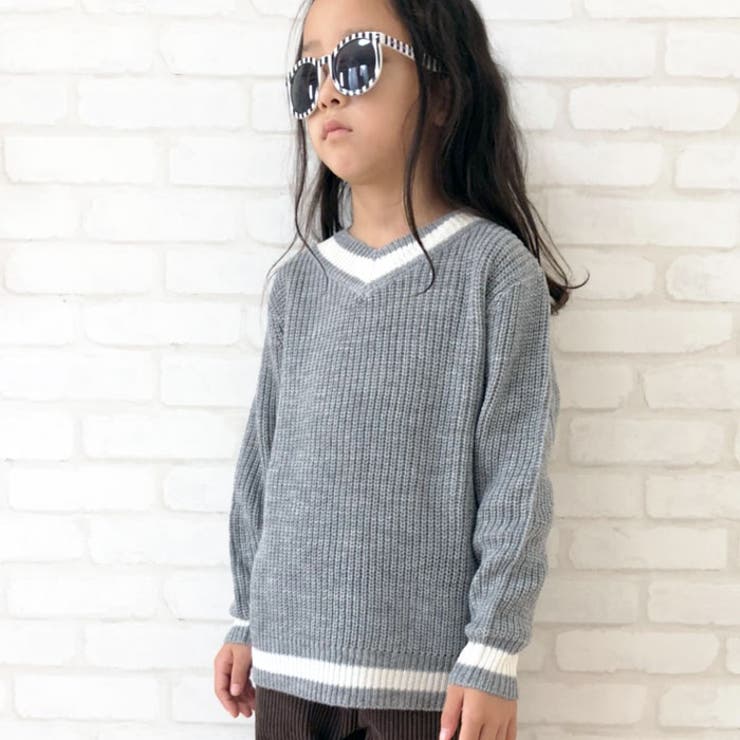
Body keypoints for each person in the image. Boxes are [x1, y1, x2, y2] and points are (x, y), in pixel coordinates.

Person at [214, 0, 586, 738]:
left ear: (442, 93)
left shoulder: (493, 272)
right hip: (284, 666)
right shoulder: (299, 284)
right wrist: (246, 616)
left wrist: (493, 650)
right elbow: (264, 461)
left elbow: (514, 479)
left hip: (422, 685)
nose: (325, 93)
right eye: (307, 76)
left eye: (356, 62)